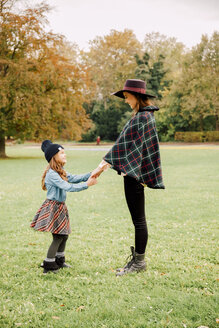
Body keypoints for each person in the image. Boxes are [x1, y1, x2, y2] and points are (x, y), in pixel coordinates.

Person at [91, 79, 165, 276]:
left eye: (127, 97)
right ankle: (137, 260)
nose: (125, 100)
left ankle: (139, 262)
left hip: (134, 177)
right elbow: (128, 144)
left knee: (139, 220)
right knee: (138, 220)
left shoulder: (142, 118)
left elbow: (121, 145)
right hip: (134, 174)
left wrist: (99, 168)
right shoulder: (145, 116)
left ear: (136, 96)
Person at [30, 140, 97, 274]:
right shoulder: (52, 174)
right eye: (62, 153)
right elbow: (68, 186)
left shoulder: (60, 171)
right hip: (53, 208)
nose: (65, 155)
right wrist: (87, 184)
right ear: (53, 157)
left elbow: (75, 178)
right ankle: (49, 264)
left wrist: (92, 173)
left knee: (64, 235)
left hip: (60, 207)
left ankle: (59, 261)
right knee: (58, 237)